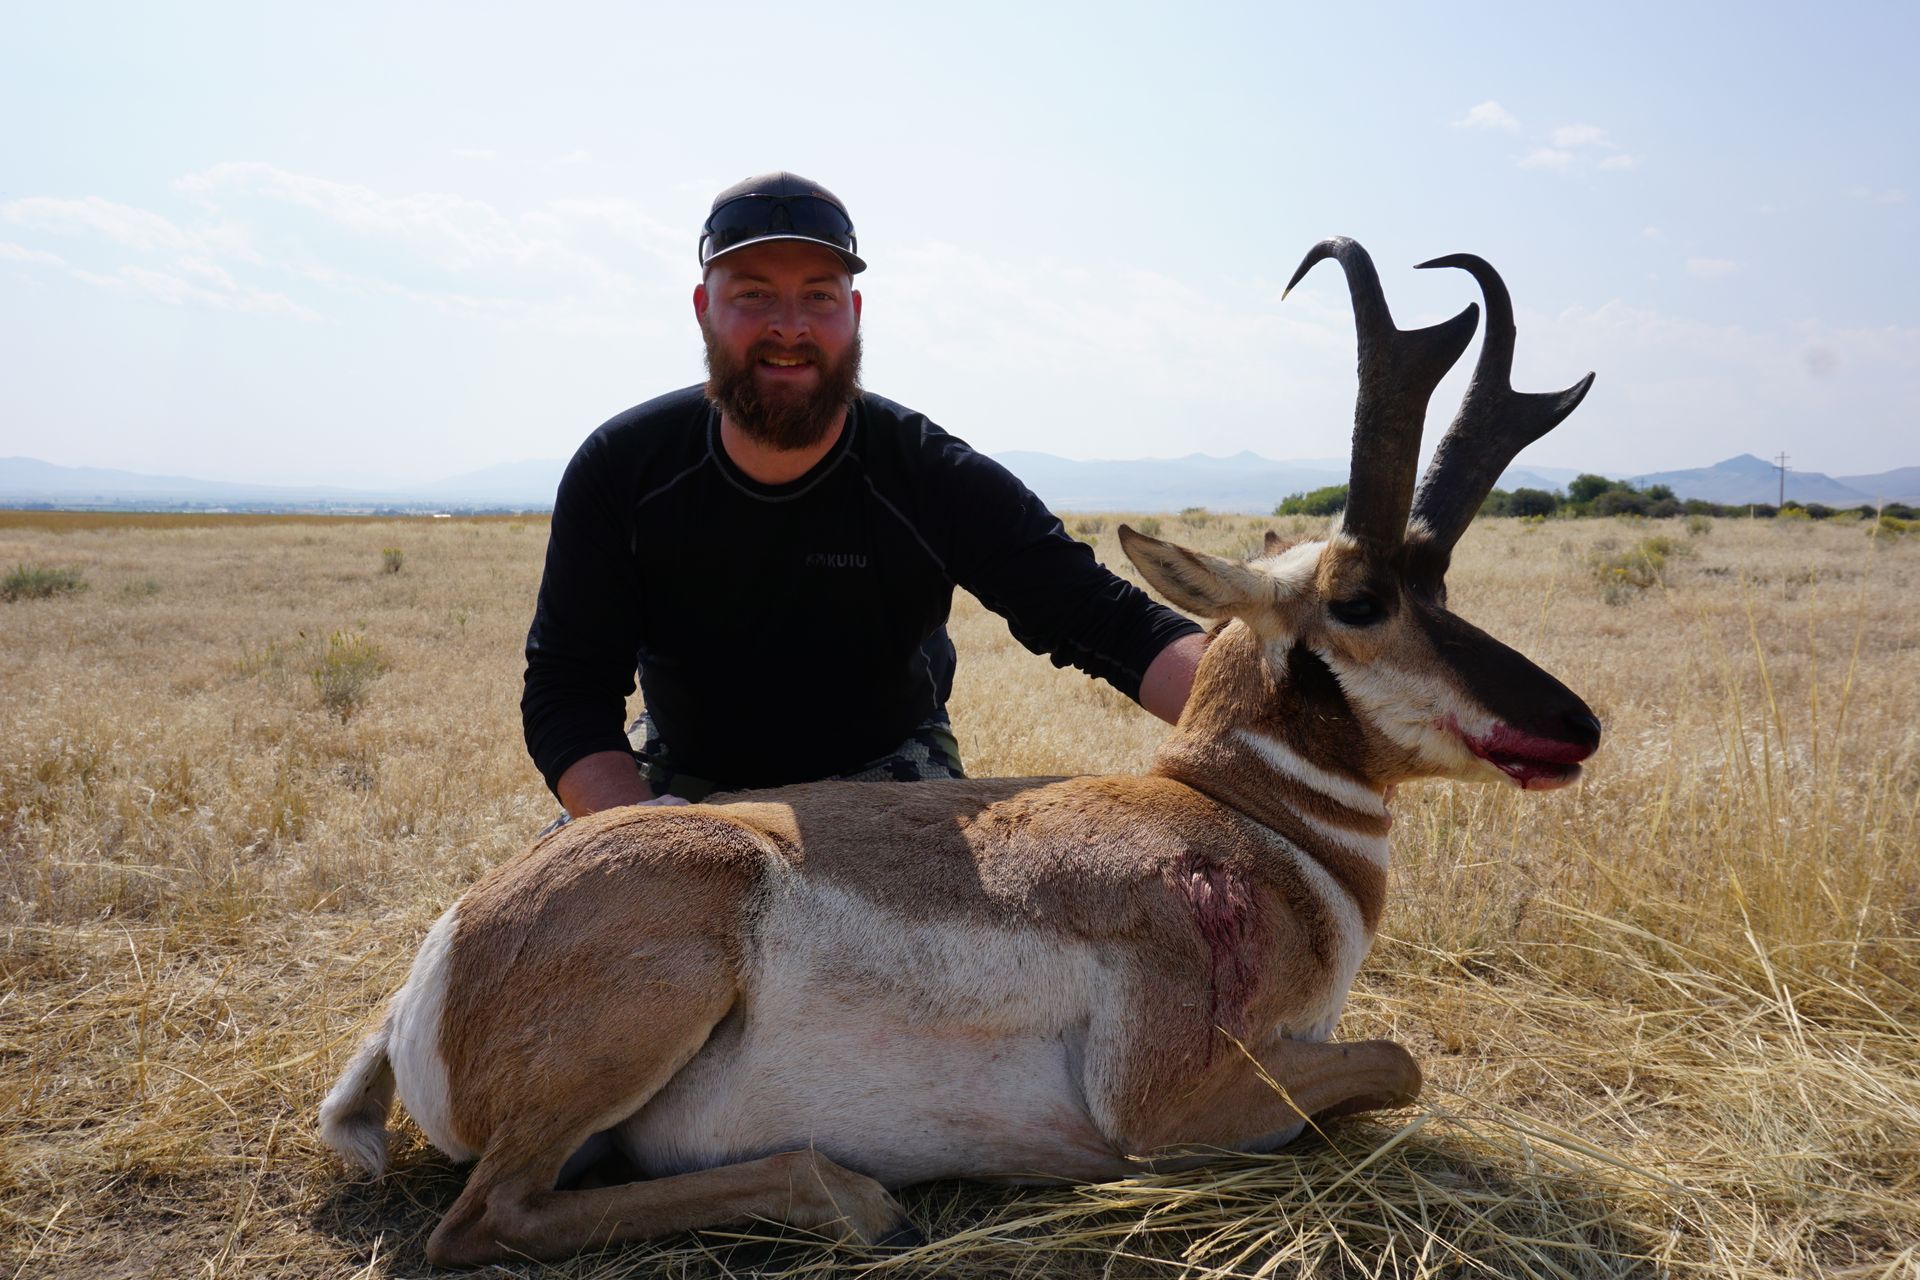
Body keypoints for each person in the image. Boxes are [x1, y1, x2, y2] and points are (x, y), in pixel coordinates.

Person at [522, 172, 1207, 819]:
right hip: (683, 774)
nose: (790, 326)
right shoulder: (623, 468)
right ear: (705, 310)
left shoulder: (927, 472)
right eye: (754, 294)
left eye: (819, 295)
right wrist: (633, 823)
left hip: (891, 768)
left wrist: (1275, 709)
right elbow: (567, 690)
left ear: (853, 313)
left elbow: (1105, 621)